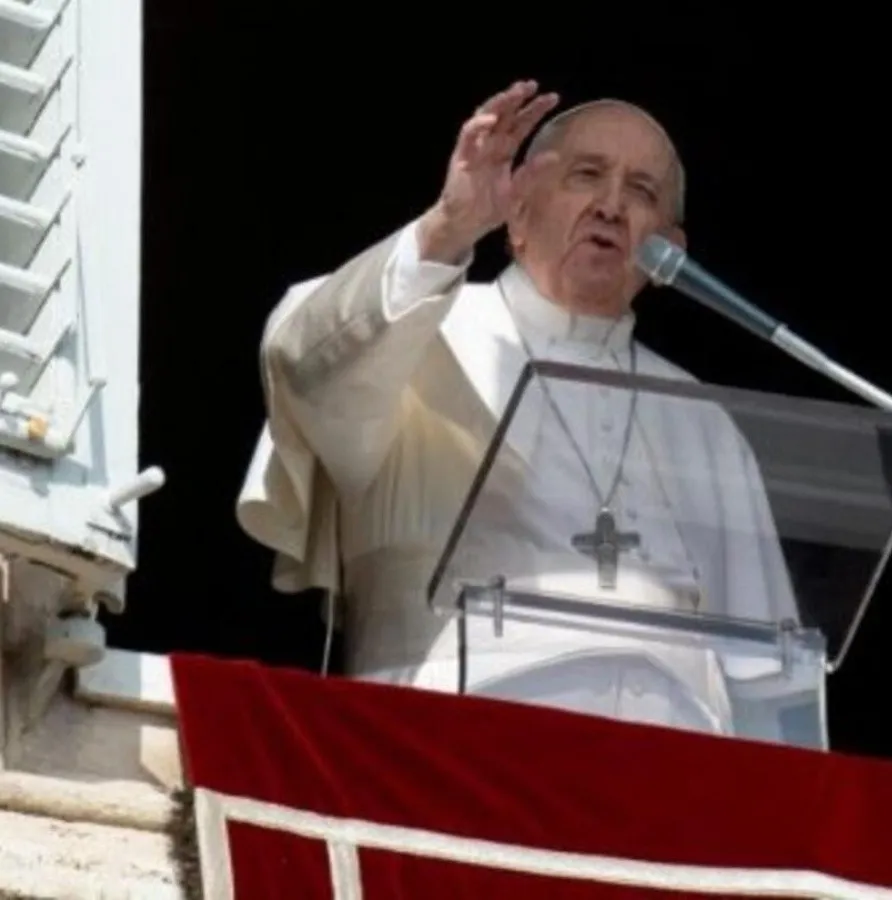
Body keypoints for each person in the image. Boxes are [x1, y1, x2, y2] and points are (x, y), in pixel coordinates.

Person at [236, 80, 808, 739]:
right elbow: (303, 363)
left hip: (673, 776)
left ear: (668, 251)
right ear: (517, 210)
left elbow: (770, 681)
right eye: (586, 175)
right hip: (449, 746)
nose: (611, 206)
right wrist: (447, 227)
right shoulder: (419, 329)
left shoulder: (703, 421)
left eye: (641, 191)